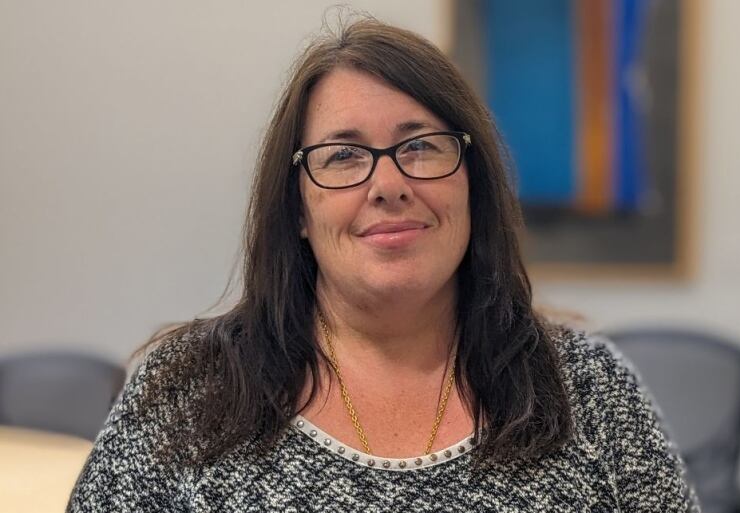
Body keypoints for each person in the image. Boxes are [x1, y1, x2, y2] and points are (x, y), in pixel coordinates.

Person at [68, 16, 699, 512]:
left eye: (420, 146)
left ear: (472, 186)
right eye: (343, 156)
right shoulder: (185, 392)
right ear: (297, 209)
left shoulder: (590, 390)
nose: (388, 183)